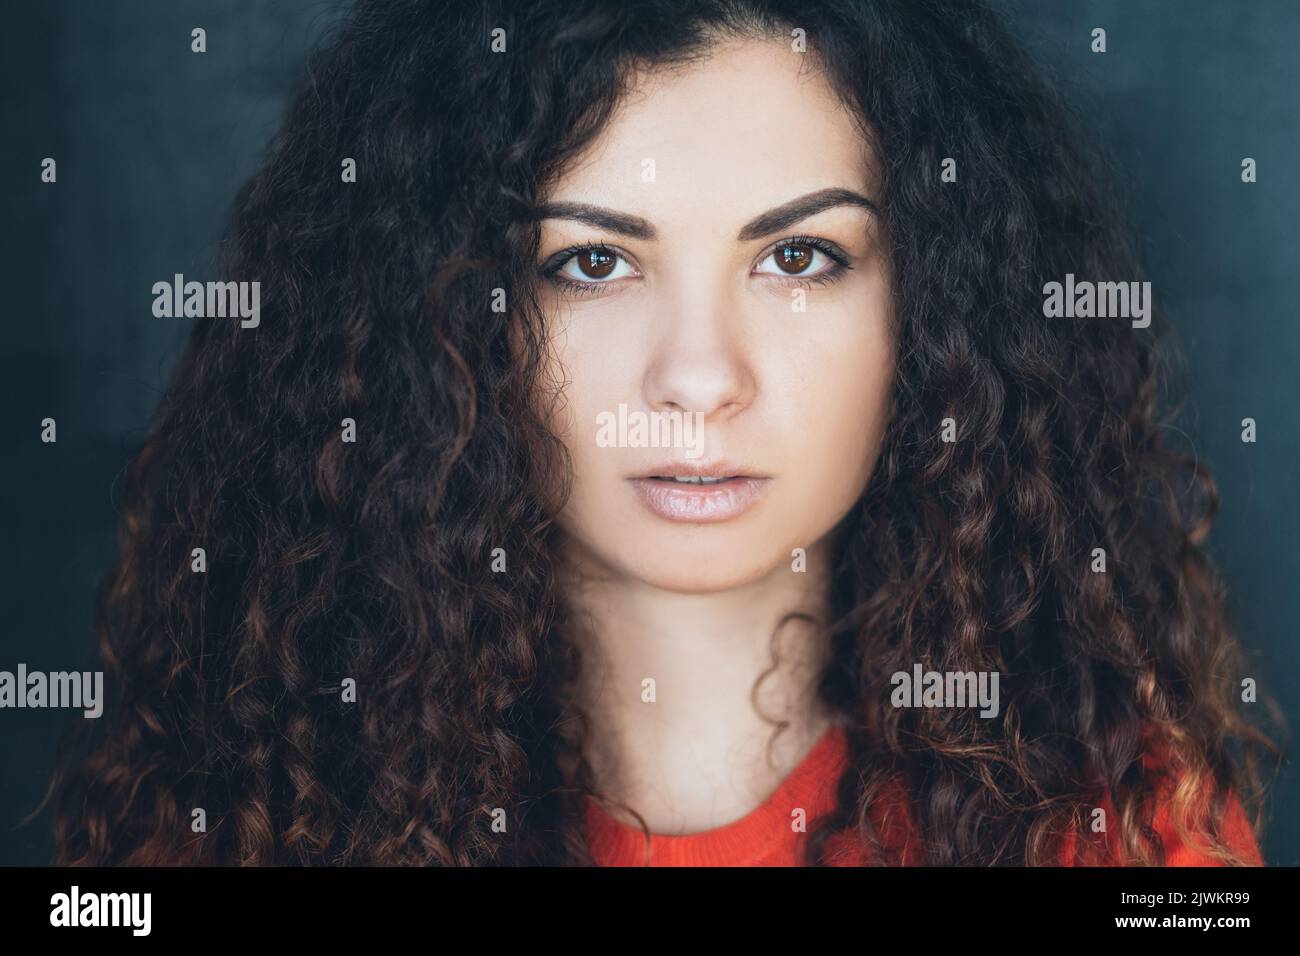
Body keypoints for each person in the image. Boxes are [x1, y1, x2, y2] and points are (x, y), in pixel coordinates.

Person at [46, 0, 1283, 866]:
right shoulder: (250, 820)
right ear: (444, 314)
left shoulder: (1110, 826)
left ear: (936, 305)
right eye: (590, 262)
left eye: (800, 256)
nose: (699, 376)